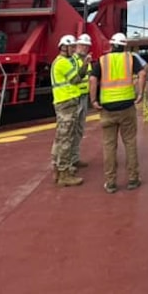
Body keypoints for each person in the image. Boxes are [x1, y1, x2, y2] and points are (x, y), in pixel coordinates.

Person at [89, 32, 146, 194]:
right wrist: (140, 93)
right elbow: (142, 73)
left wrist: (94, 100)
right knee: (130, 142)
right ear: (124, 46)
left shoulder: (102, 60)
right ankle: (133, 179)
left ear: (111, 44)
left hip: (107, 109)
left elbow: (93, 80)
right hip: (127, 107)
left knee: (109, 146)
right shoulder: (130, 58)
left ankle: (111, 182)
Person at [49, 34, 84, 187]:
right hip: (66, 103)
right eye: (72, 47)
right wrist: (85, 64)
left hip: (62, 103)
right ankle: (64, 174)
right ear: (65, 47)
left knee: (60, 137)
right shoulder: (62, 63)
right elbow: (76, 79)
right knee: (66, 139)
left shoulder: (58, 62)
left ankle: (58, 168)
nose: (74, 50)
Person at [70, 33, 94, 174]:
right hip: (74, 98)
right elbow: (75, 78)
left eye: (86, 46)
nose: (84, 48)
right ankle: (68, 162)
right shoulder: (72, 60)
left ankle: (75, 158)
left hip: (83, 97)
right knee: (71, 130)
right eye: (82, 45)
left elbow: (90, 79)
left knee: (79, 129)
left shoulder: (87, 60)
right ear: (76, 45)